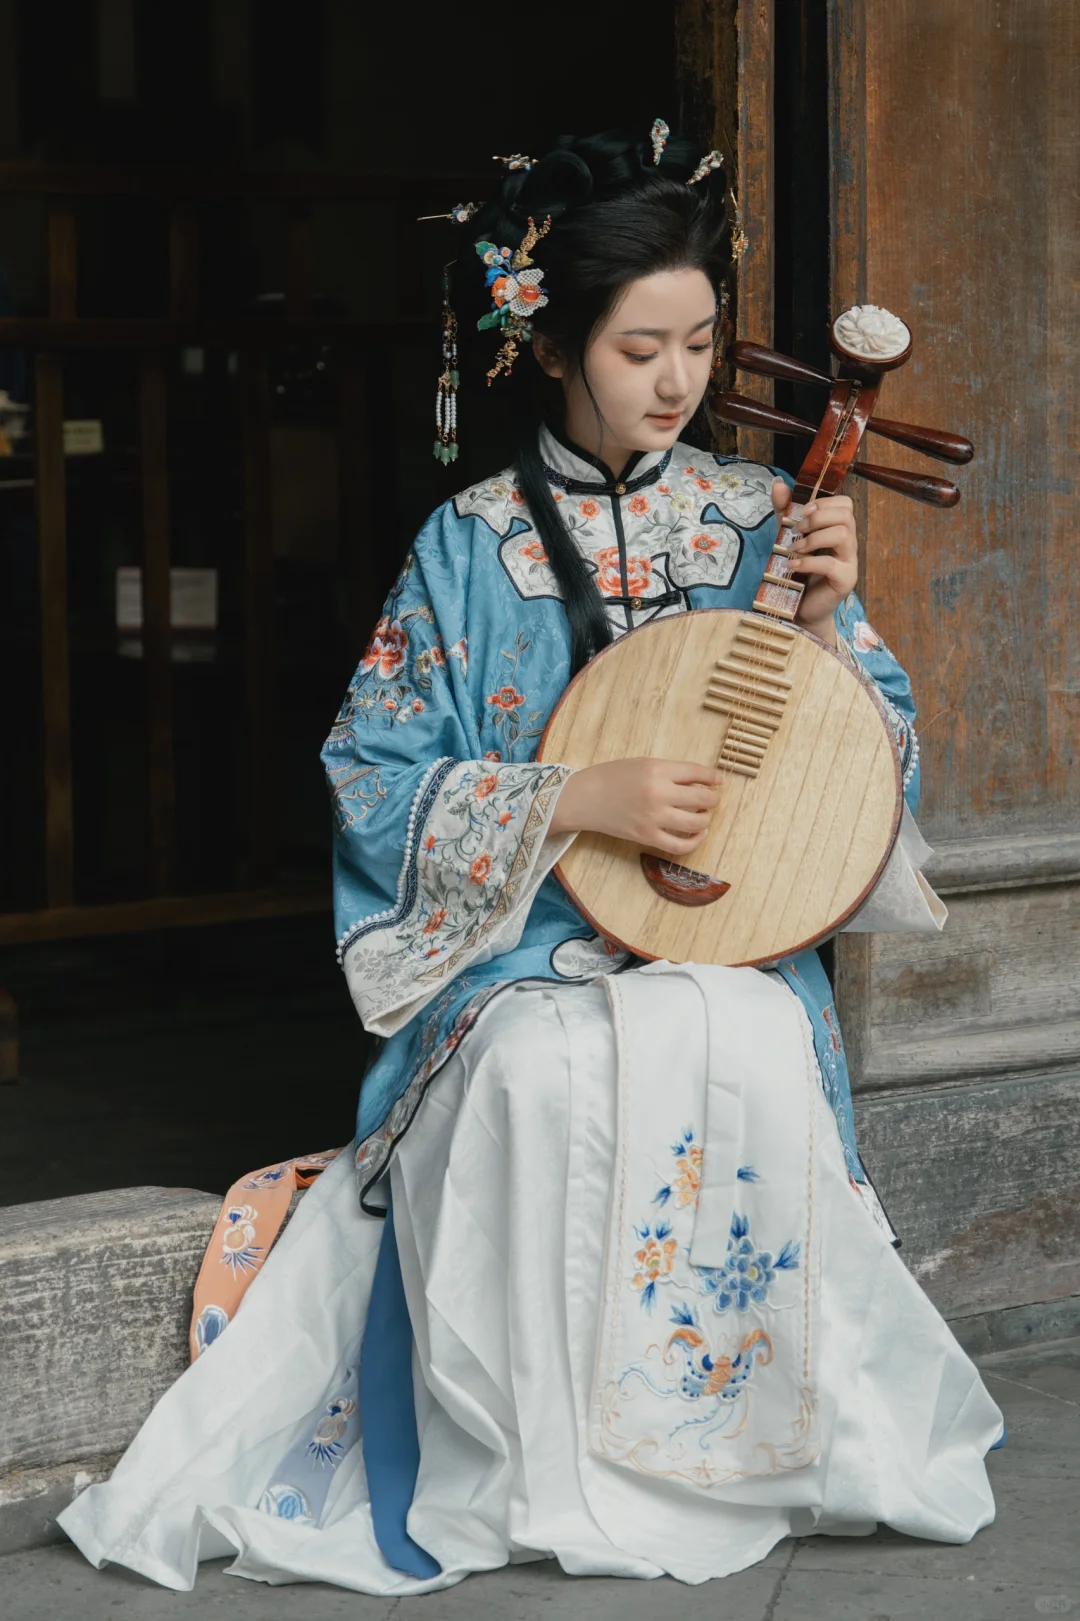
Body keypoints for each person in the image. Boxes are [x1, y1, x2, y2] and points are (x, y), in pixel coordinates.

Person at [58, 126, 1004, 1596]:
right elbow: (368, 774)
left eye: (699, 342)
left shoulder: (764, 520)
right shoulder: (467, 543)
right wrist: (575, 796)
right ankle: (542, 1452)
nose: (679, 380)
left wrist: (826, 632)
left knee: (743, 1030)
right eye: (640, 348)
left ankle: (744, 1442)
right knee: (544, 1071)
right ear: (553, 345)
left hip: (719, 932)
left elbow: (873, 774)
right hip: (517, 947)